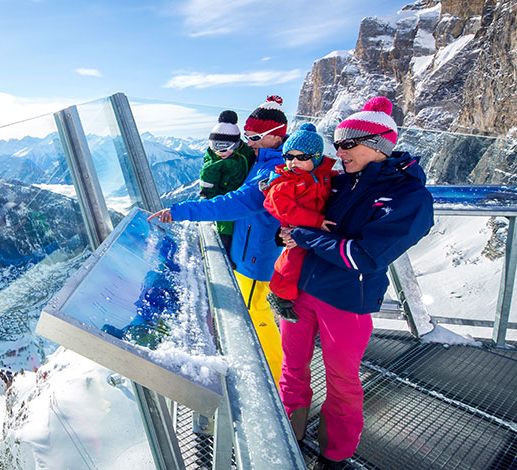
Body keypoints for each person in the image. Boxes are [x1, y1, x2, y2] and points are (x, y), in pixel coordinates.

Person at [276, 97, 434, 469]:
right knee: (291, 367)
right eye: (337, 144)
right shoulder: (342, 182)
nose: (339, 151)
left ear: (378, 144)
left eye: (347, 144)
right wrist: (291, 233)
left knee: (343, 381)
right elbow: (302, 215)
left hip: (346, 301)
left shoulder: (409, 197)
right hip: (303, 291)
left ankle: (335, 455)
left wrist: (305, 236)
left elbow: (364, 256)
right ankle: (289, 434)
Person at [146, 95, 290, 383]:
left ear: (276, 136)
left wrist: (178, 211)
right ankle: (273, 374)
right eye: (246, 135)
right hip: (249, 252)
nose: (248, 142)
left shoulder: (271, 171)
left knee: (257, 316)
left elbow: (231, 203)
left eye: (254, 136)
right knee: (254, 314)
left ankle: (276, 382)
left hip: (256, 260)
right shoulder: (260, 159)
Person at [261, 123, 338, 323]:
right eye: (289, 157)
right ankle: (279, 295)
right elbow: (285, 209)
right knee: (293, 261)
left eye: (302, 157)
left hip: (313, 229)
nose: (294, 162)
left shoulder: (323, 176)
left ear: (316, 157)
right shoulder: (285, 183)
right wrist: (317, 221)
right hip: (298, 227)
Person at [198, 110, 254, 256]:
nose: (219, 153)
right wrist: (207, 203)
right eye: (215, 147)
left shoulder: (246, 152)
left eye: (224, 149)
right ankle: (225, 255)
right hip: (224, 200)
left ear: (236, 145)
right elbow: (207, 186)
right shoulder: (212, 164)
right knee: (226, 230)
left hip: (244, 200)